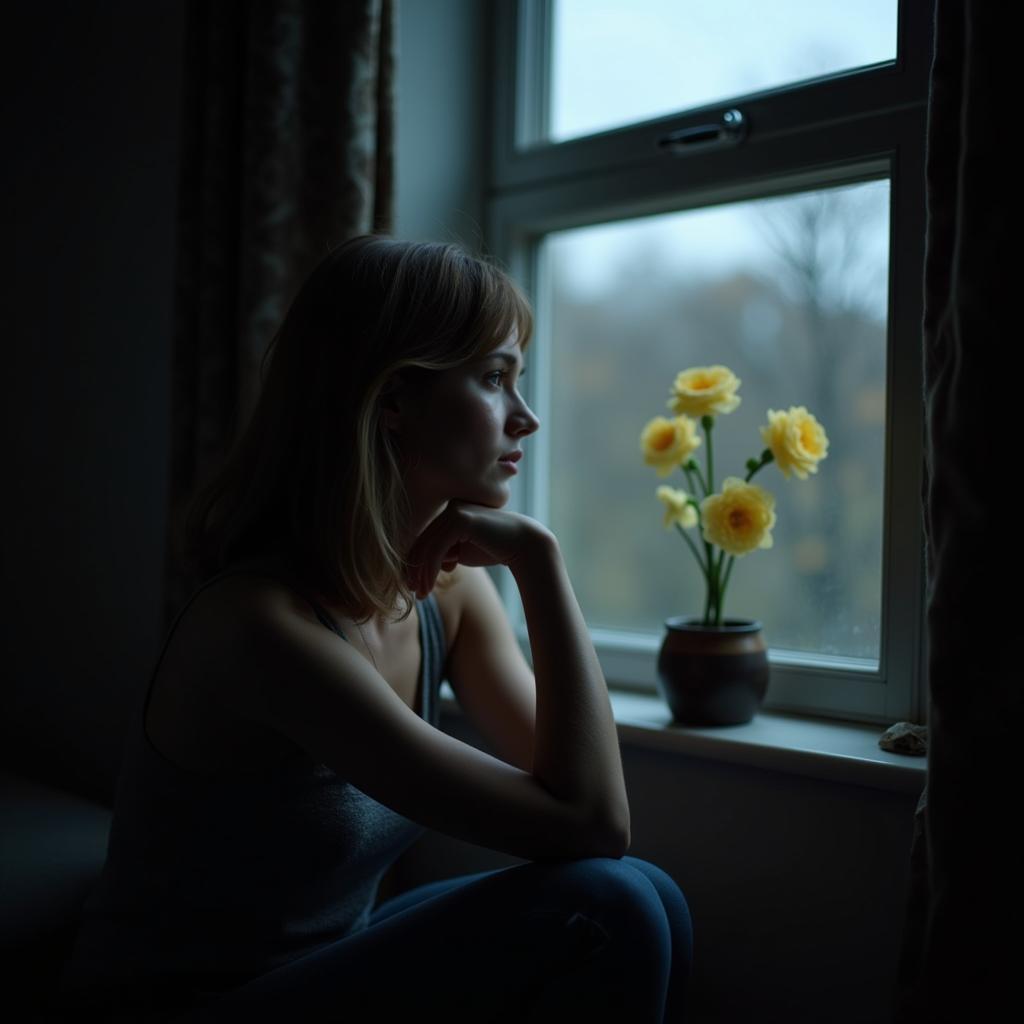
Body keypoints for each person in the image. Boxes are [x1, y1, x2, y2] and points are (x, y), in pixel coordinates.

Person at [56, 235, 693, 1022]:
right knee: (609, 904)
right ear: (392, 400)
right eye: (495, 379)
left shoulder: (447, 594)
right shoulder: (259, 628)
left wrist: (536, 569)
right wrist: (540, 557)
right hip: (189, 1003)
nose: (524, 418)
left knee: (654, 894)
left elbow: (589, 803)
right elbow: (593, 825)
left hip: (323, 969)